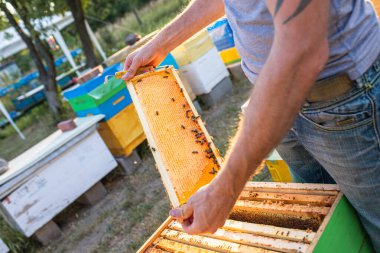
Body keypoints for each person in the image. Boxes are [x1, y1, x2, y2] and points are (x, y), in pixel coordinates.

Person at [123, 0, 380, 250]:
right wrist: (160, 43)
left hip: (345, 102)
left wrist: (226, 188)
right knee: (331, 227)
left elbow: (303, 48)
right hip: (281, 105)